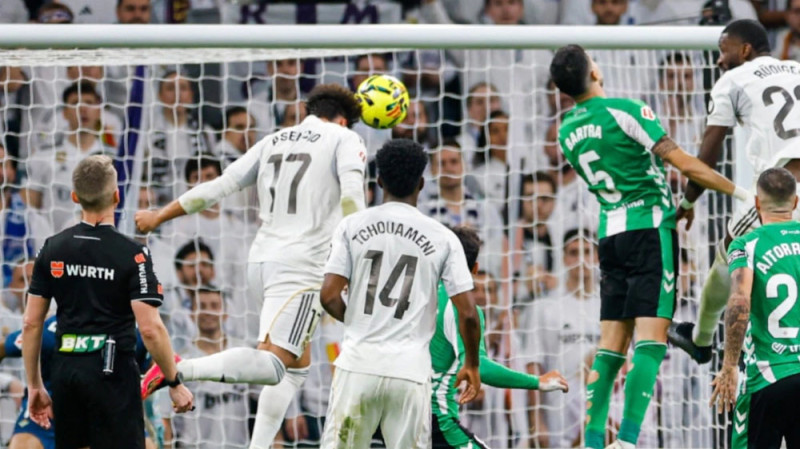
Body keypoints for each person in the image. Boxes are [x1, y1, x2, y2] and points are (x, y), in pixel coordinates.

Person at [135, 83, 367, 449]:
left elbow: (219, 185)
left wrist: (158, 215)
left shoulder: (274, 140)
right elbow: (353, 196)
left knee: (295, 368)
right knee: (274, 364)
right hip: (303, 266)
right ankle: (177, 369)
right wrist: (362, 255)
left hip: (261, 262)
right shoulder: (343, 137)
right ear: (342, 119)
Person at [549, 44, 747, 449]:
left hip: (609, 234)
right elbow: (687, 164)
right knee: (651, 341)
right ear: (594, 71)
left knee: (610, 347)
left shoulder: (565, 130)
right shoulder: (626, 110)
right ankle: (626, 440)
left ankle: (591, 441)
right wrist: (741, 193)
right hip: (650, 229)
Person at [318, 138, 481, 448]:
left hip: (358, 365)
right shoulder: (443, 238)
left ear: (378, 181)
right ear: (421, 183)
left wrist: (357, 321)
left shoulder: (352, 226)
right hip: (409, 372)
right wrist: (471, 364)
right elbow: (469, 313)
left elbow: (328, 295)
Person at [21, 155, 193, 449]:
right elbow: (150, 328)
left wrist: (35, 385)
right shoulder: (133, 254)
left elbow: (31, 322)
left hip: (66, 373)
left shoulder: (52, 248)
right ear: (117, 195)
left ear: (75, 197)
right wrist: (174, 383)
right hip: (111, 374)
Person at [669, 19, 800, 364]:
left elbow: (707, 154)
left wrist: (688, 200)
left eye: (722, 51)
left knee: (730, 254)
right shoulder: (796, 68)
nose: (718, 61)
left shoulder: (733, 80)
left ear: (744, 50)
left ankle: (701, 339)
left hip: (782, 192)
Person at [430, 225, 568, 449]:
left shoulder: (413, 294)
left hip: (393, 409)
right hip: (435, 418)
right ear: (474, 269)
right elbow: (480, 366)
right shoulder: (463, 309)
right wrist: (537, 382)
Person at [711, 167, 800, 449]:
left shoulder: (746, 245)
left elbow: (739, 300)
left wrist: (728, 367)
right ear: (795, 202)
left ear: (758, 203)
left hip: (767, 377)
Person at [522, 229, 601, 448]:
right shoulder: (545, 307)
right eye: (574, 253)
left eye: (587, 252)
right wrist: (536, 420)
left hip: (601, 413)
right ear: (564, 258)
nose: (581, 260)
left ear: (597, 257)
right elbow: (533, 366)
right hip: (559, 415)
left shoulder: (609, 308)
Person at [163, 286, 250, 449]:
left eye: (214, 306)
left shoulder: (242, 354)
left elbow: (264, 398)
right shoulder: (180, 362)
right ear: (191, 313)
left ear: (225, 313)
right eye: (202, 306)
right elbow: (166, 419)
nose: (208, 312)